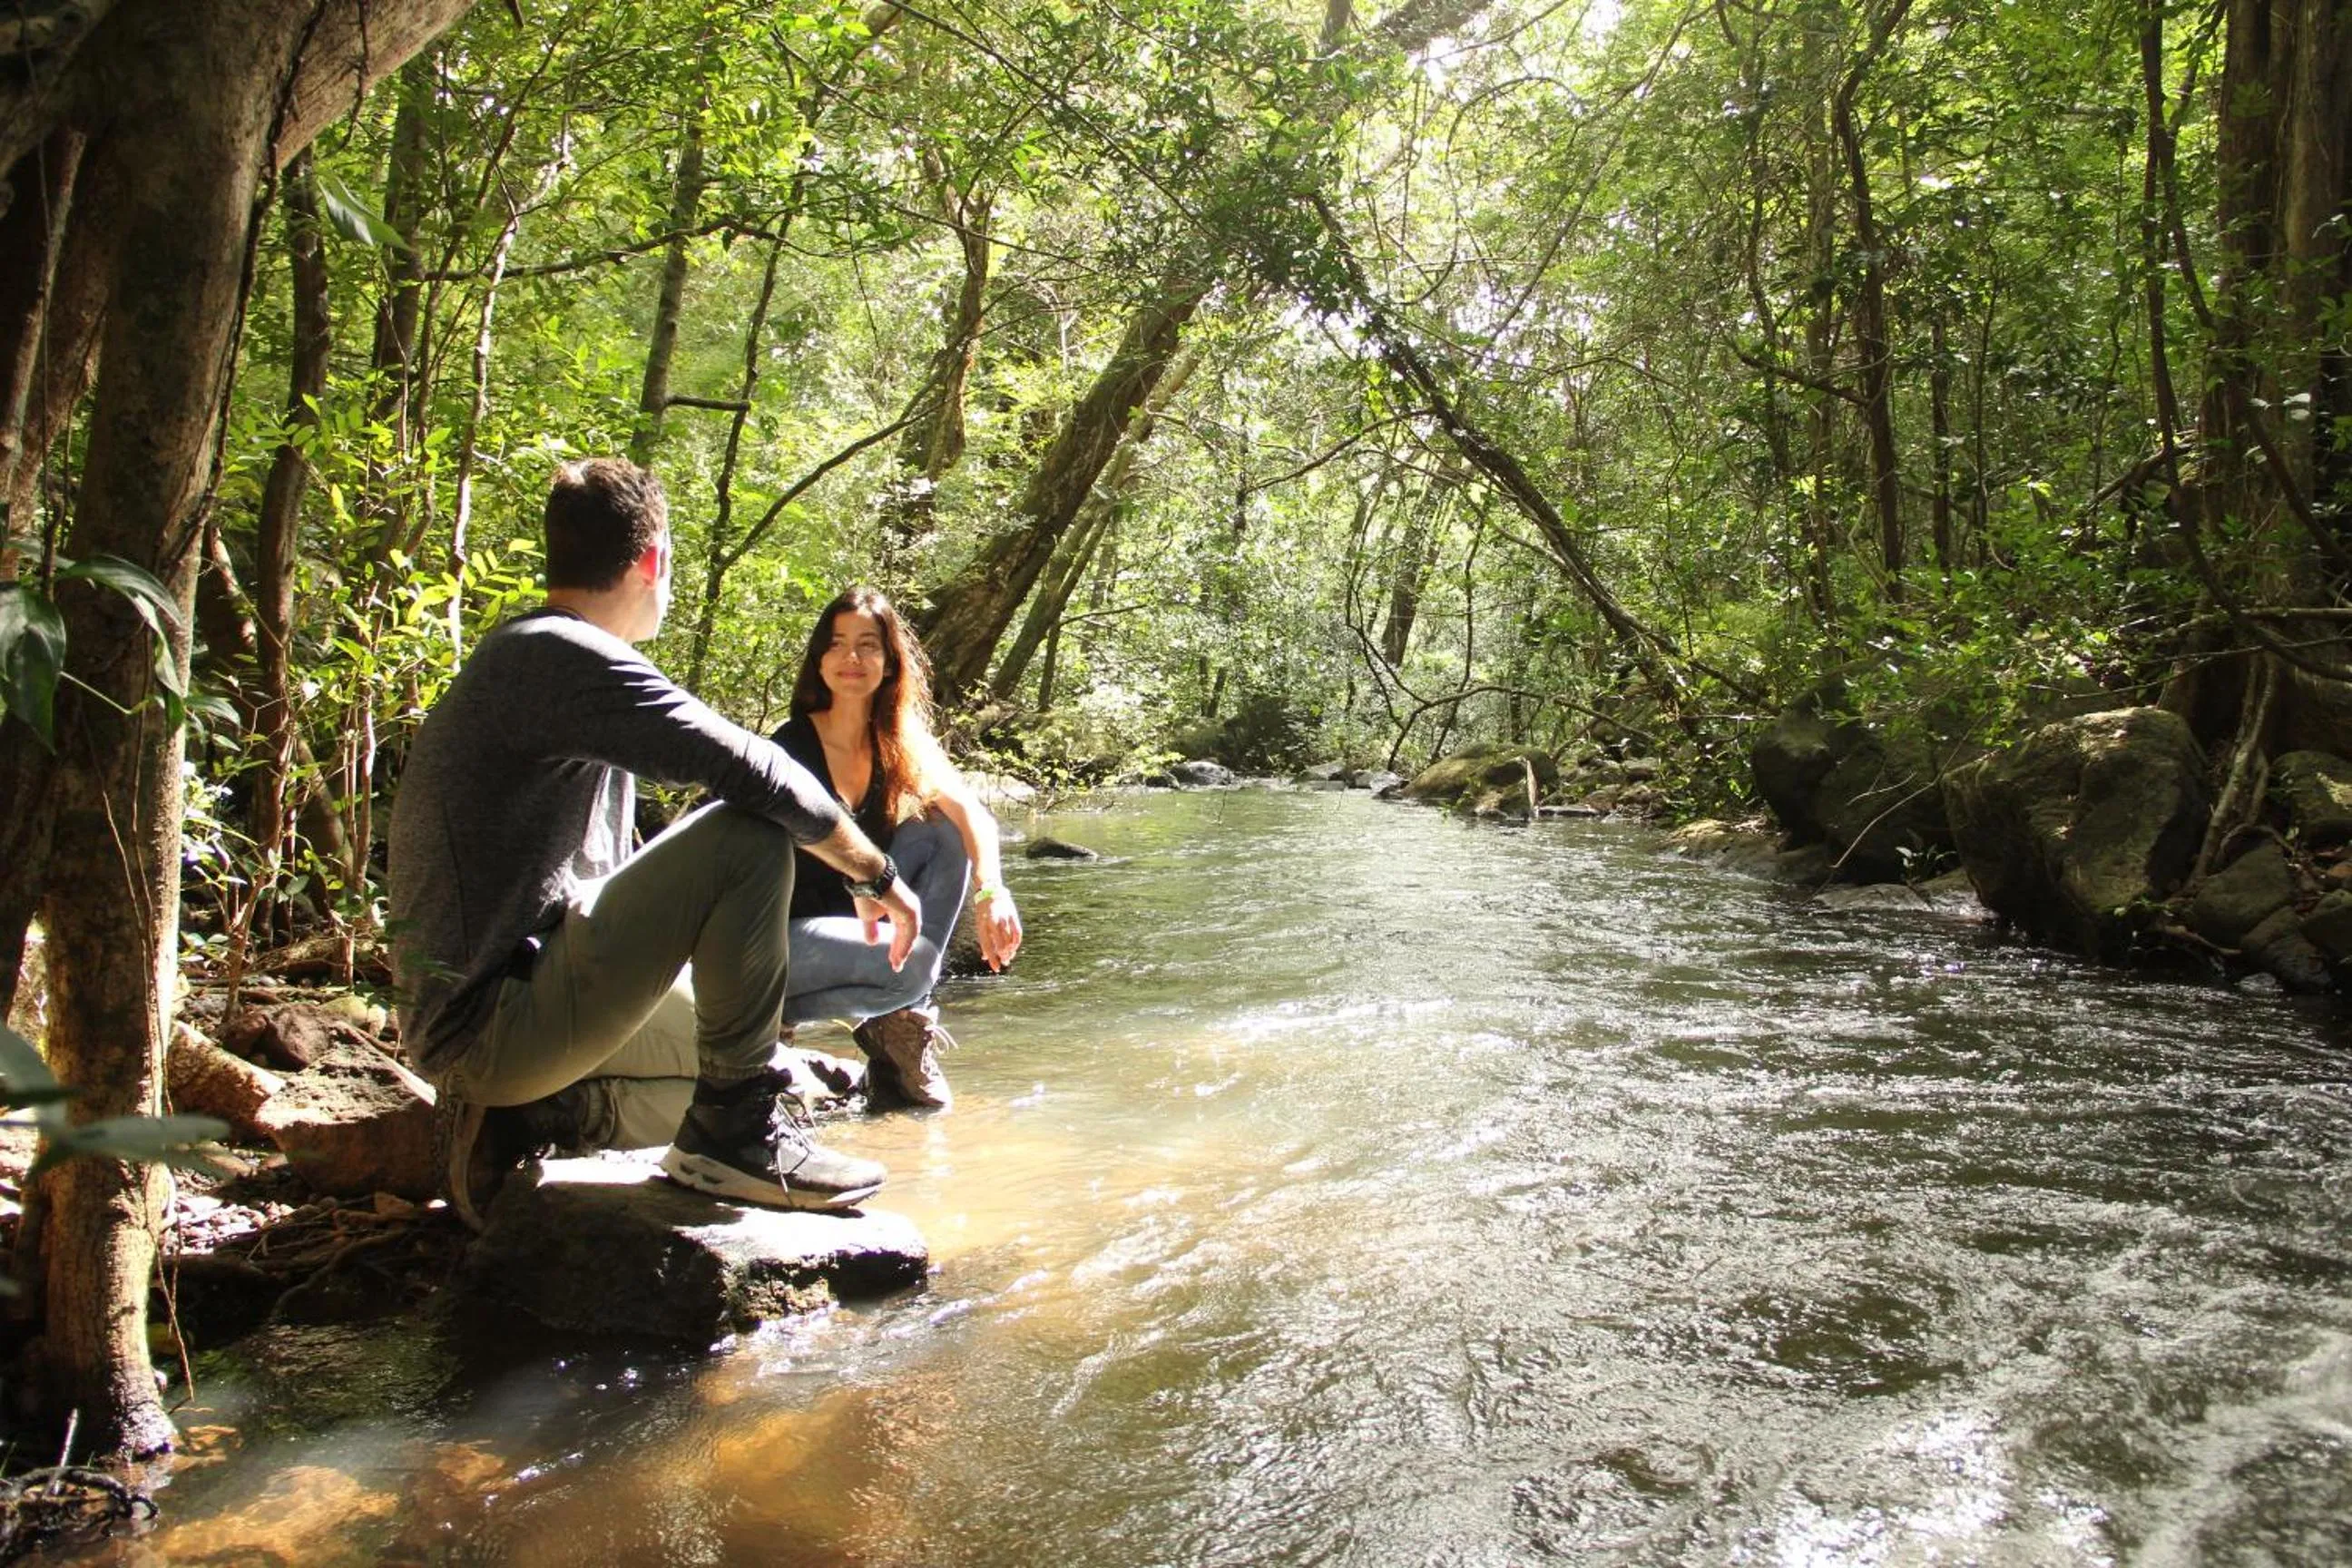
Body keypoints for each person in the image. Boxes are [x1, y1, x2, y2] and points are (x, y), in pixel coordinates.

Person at [387, 458, 921, 1225]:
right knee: (748, 831)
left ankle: (538, 1123)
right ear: (654, 560)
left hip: (518, 1011)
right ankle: (731, 1140)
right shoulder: (553, 656)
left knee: (784, 1077)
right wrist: (874, 874)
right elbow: (756, 769)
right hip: (491, 1024)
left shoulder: (546, 660)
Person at [770, 586, 1024, 1110]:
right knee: (914, 969)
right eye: (837, 644)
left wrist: (992, 893)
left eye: (868, 645)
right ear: (820, 660)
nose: (852, 658)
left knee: (944, 828)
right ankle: (772, 1024)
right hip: (780, 939)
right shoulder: (789, 746)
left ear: (889, 662)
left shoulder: (897, 739)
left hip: (861, 922)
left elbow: (974, 813)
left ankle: (898, 1027)